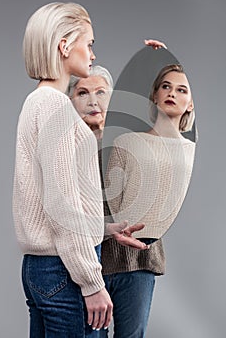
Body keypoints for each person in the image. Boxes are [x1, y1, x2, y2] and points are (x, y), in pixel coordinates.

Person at [12, 2, 115, 338]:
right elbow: (61, 205)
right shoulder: (55, 105)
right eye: (90, 43)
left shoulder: (36, 102)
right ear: (64, 45)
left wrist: (105, 230)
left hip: (42, 268)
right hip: (65, 271)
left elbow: (49, 199)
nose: (92, 54)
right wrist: (91, 283)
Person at [69, 58, 182, 338]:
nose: (93, 101)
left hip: (138, 261)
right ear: (70, 100)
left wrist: (160, 56)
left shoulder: (137, 138)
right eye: (83, 92)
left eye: (101, 92)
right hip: (90, 266)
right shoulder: (63, 149)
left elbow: (169, 108)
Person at [102, 63, 196, 338]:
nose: (172, 93)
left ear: (191, 103)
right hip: (102, 255)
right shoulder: (126, 142)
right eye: (166, 86)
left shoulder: (193, 153)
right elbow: (108, 203)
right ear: (154, 95)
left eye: (182, 90)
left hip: (143, 260)